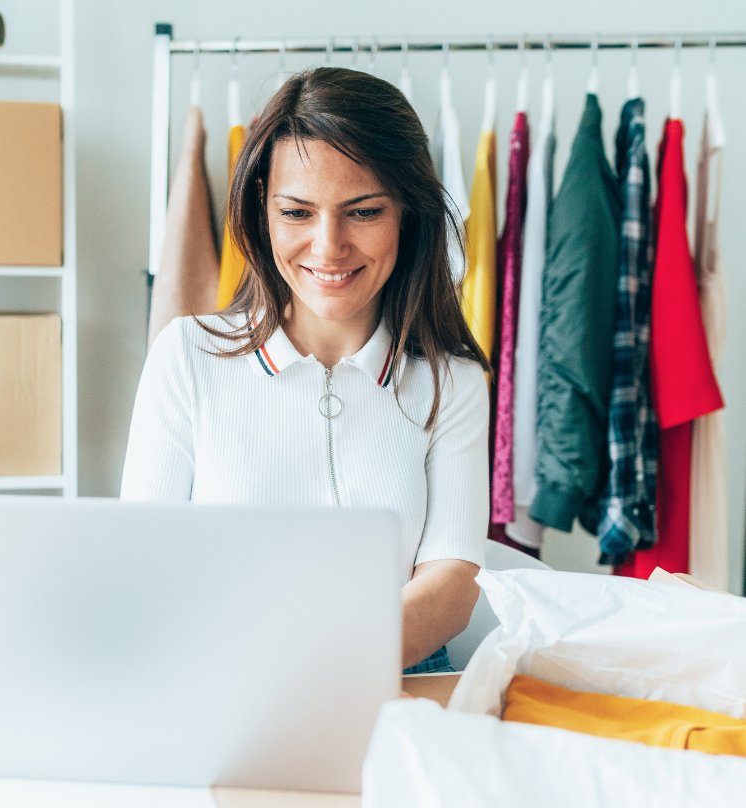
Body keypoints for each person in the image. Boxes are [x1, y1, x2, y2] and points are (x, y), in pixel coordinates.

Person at [121, 67, 490, 673]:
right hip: (222, 674)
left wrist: (329, 668)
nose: (328, 246)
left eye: (363, 212)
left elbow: (451, 582)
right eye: (297, 212)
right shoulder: (185, 356)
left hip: (392, 678)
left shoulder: (453, 382)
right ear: (261, 210)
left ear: (408, 212)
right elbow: (141, 566)